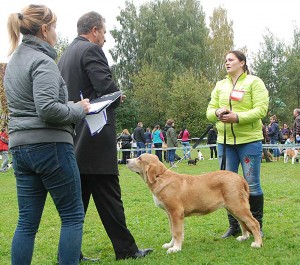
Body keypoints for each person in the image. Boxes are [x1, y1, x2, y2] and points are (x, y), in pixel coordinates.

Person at [58, 11, 152, 261]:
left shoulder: (65, 55)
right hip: (96, 138)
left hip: (75, 137)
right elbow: (105, 87)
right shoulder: (91, 51)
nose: (105, 39)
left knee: (77, 205)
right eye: (105, 32)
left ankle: (71, 253)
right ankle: (127, 250)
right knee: (110, 197)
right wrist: (116, 96)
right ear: (95, 31)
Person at [4, 5, 91, 265]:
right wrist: (79, 108)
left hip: (20, 149)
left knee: (27, 223)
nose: (56, 32)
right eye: (54, 27)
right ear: (44, 29)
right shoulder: (43, 61)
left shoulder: (13, 63)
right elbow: (48, 110)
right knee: (73, 216)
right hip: (50, 147)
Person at [206, 50, 269, 238]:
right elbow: (209, 111)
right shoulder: (220, 85)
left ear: (242, 62)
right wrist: (217, 112)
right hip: (224, 143)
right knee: (225, 186)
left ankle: (256, 226)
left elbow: (261, 110)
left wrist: (237, 117)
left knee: (252, 184)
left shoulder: (254, 82)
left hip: (249, 141)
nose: (227, 63)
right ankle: (234, 228)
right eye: (225, 60)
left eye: (231, 60)